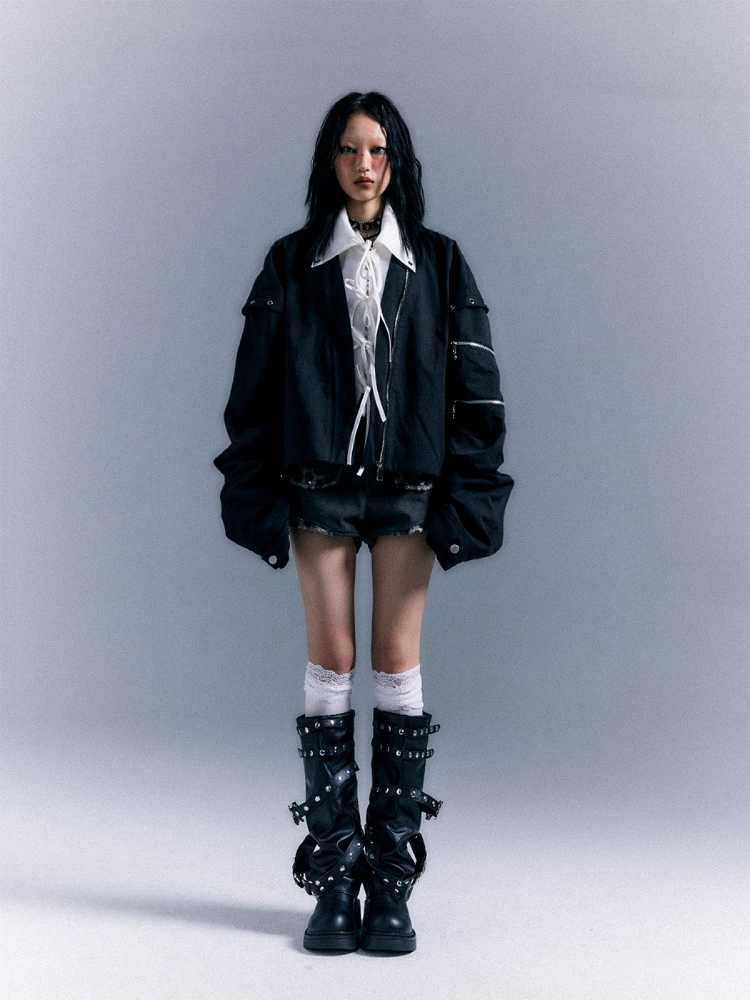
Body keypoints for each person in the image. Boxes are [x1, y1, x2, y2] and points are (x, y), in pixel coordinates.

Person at [212, 91, 514, 954]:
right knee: (332, 660)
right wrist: (259, 489)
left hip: (410, 488)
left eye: (377, 149)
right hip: (318, 485)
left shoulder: (441, 262)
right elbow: (253, 391)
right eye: (348, 149)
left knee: (394, 660)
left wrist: (464, 493)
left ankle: (391, 883)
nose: (364, 164)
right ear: (330, 162)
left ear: (396, 161)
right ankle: (333, 881)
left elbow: (478, 395)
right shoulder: (292, 262)